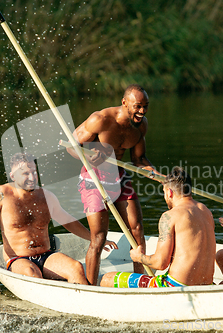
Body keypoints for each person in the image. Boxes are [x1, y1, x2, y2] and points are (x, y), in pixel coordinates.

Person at [69, 84, 161, 285]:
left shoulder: (141, 125)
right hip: (93, 179)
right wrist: (87, 156)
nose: (142, 111)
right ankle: (91, 288)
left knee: (136, 231)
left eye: (146, 106)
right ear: (124, 103)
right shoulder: (100, 120)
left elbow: (139, 160)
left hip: (120, 178)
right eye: (138, 106)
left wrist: (153, 172)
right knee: (99, 236)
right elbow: (70, 146)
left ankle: (143, 282)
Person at [0, 152, 116, 285]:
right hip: (18, 259)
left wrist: (96, 240)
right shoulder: (2, 195)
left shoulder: (46, 196)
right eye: (25, 173)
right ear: (13, 176)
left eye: (34, 172)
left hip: (46, 256)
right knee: (31, 273)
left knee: (76, 267)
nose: (32, 177)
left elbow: (68, 221)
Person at [99, 167, 216, 288]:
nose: (165, 197)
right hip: (207, 285)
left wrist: (139, 257)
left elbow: (160, 263)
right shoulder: (205, 211)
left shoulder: (170, 216)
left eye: (164, 192)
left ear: (169, 192)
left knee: (107, 279)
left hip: (174, 286)